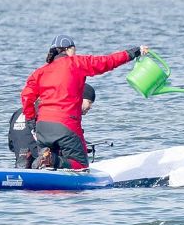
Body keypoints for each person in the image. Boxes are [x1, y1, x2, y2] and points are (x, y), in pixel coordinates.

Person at [21, 35, 147, 169]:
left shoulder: (39, 72)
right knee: (80, 165)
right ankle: (51, 159)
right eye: (74, 50)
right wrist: (135, 52)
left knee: (47, 164)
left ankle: (31, 160)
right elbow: (108, 61)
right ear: (68, 49)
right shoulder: (76, 62)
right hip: (66, 125)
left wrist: (31, 121)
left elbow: (26, 97)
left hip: (42, 127)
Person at [9, 84, 95, 168]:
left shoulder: (17, 113)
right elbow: (60, 138)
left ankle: (27, 158)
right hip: (43, 163)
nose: (91, 107)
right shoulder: (56, 113)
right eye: (90, 102)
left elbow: (11, 145)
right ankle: (50, 160)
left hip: (22, 160)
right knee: (78, 162)